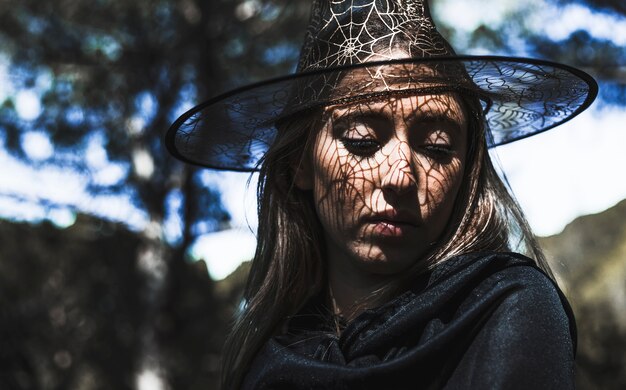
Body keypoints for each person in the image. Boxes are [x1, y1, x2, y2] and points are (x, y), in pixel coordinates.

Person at [166, 0, 597, 388]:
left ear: (465, 169)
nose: (401, 177)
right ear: (299, 164)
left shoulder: (505, 310)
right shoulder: (271, 360)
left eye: (437, 148)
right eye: (361, 138)